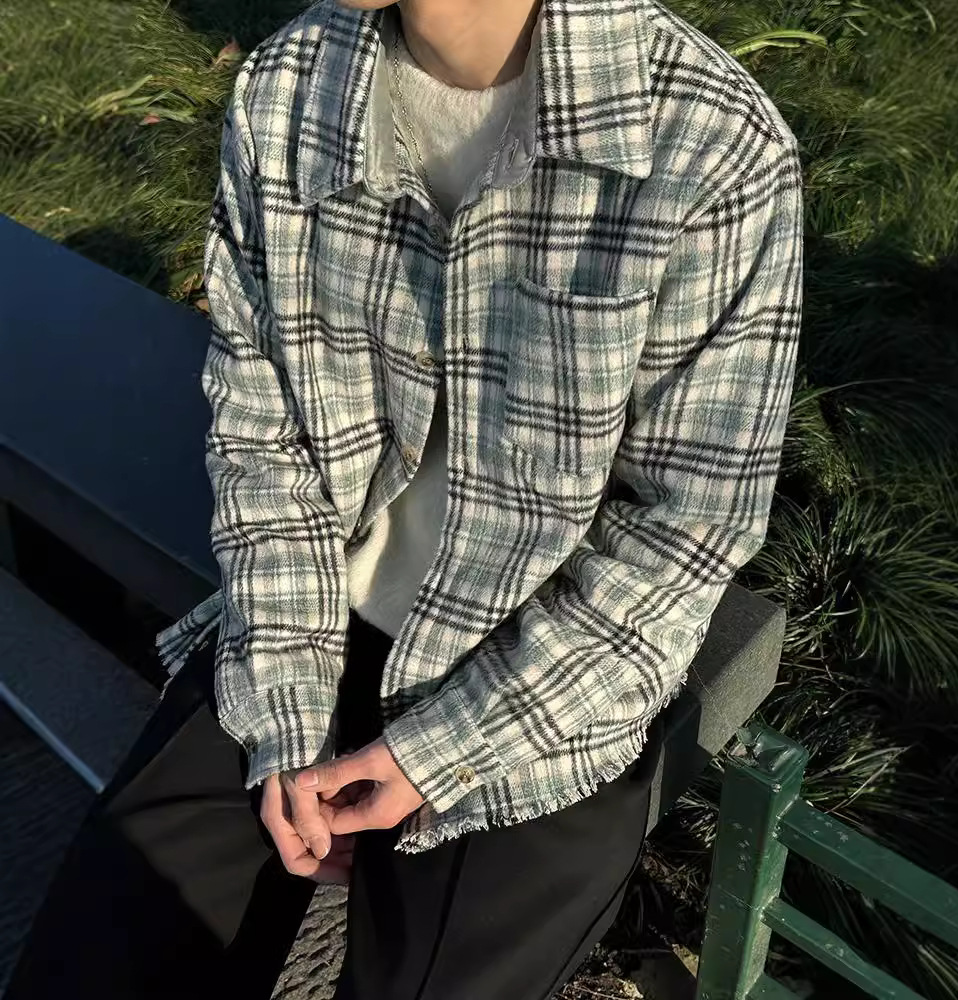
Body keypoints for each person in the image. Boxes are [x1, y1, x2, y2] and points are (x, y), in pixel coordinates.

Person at [7, 0, 803, 996]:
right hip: (311, 609)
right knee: (96, 956)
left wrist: (442, 750)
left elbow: (684, 529)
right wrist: (286, 710)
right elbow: (263, 430)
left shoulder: (710, 143)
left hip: (544, 678)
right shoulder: (290, 88)